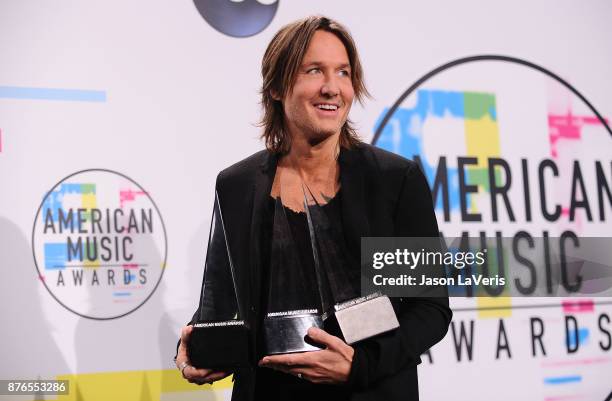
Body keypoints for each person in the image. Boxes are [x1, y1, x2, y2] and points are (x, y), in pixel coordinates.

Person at [175, 15, 452, 401]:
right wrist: (198, 345)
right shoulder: (237, 185)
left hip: (369, 390)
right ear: (275, 87)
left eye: (343, 72)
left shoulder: (392, 181)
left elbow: (428, 310)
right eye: (314, 71)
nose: (332, 88)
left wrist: (360, 365)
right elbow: (229, 304)